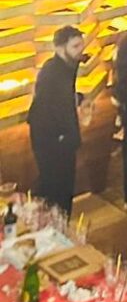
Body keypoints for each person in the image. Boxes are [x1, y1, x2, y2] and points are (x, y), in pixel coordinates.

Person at [27, 26, 85, 215]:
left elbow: (61, 97)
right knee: (56, 185)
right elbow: (48, 106)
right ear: (60, 49)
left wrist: (78, 98)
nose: (81, 50)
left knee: (60, 184)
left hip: (58, 135)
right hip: (51, 137)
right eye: (75, 46)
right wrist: (64, 136)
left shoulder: (66, 65)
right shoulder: (53, 71)